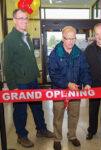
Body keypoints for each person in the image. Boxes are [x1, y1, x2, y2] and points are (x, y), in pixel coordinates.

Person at [2, 9, 54, 148]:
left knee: (37, 107)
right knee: (20, 111)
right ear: (14, 20)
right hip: (20, 82)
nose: (24, 20)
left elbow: (30, 59)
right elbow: (7, 65)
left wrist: (37, 76)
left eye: (26, 18)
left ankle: (41, 129)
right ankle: (21, 135)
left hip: (32, 80)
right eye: (21, 18)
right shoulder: (9, 40)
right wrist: (13, 87)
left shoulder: (27, 36)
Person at [48, 26, 92, 150]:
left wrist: (87, 83)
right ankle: (57, 138)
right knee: (58, 116)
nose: (71, 42)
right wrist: (67, 84)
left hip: (75, 91)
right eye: (68, 39)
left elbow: (85, 70)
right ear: (62, 38)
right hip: (59, 90)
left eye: (73, 38)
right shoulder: (55, 54)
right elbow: (53, 73)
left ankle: (72, 136)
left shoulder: (79, 53)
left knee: (74, 115)